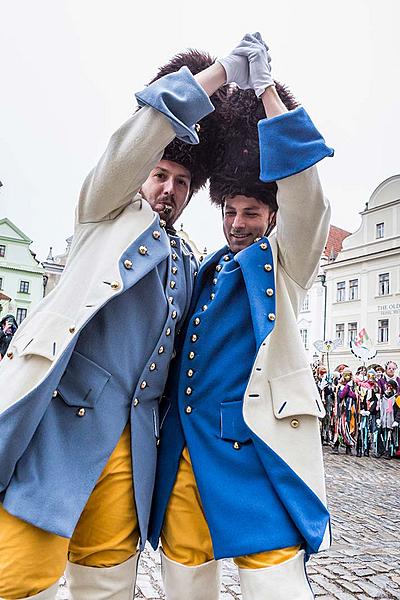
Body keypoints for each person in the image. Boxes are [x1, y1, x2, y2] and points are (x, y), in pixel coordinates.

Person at [0, 46, 243, 599]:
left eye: (183, 181)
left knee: (107, 587)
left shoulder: (187, 259)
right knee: (20, 577)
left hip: (132, 448)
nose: (169, 189)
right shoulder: (102, 213)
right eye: (159, 173)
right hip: (59, 435)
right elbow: (142, 134)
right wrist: (220, 76)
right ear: (139, 174)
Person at [149, 33, 333, 600]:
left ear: (272, 216)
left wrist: (268, 95)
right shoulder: (204, 268)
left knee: (275, 584)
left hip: (253, 448)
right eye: (230, 211)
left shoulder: (286, 260)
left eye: (251, 212)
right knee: (183, 579)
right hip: (187, 448)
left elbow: (308, 197)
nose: (237, 223)